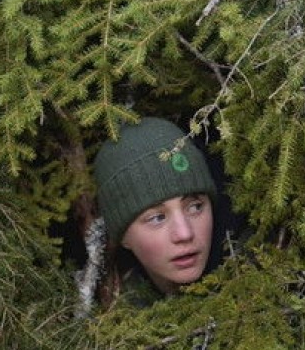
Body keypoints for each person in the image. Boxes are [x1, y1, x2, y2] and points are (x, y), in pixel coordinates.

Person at [92, 117, 219, 298]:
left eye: (195, 207)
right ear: (123, 237)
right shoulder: (115, 310)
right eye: (157, 218)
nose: (184, 234)